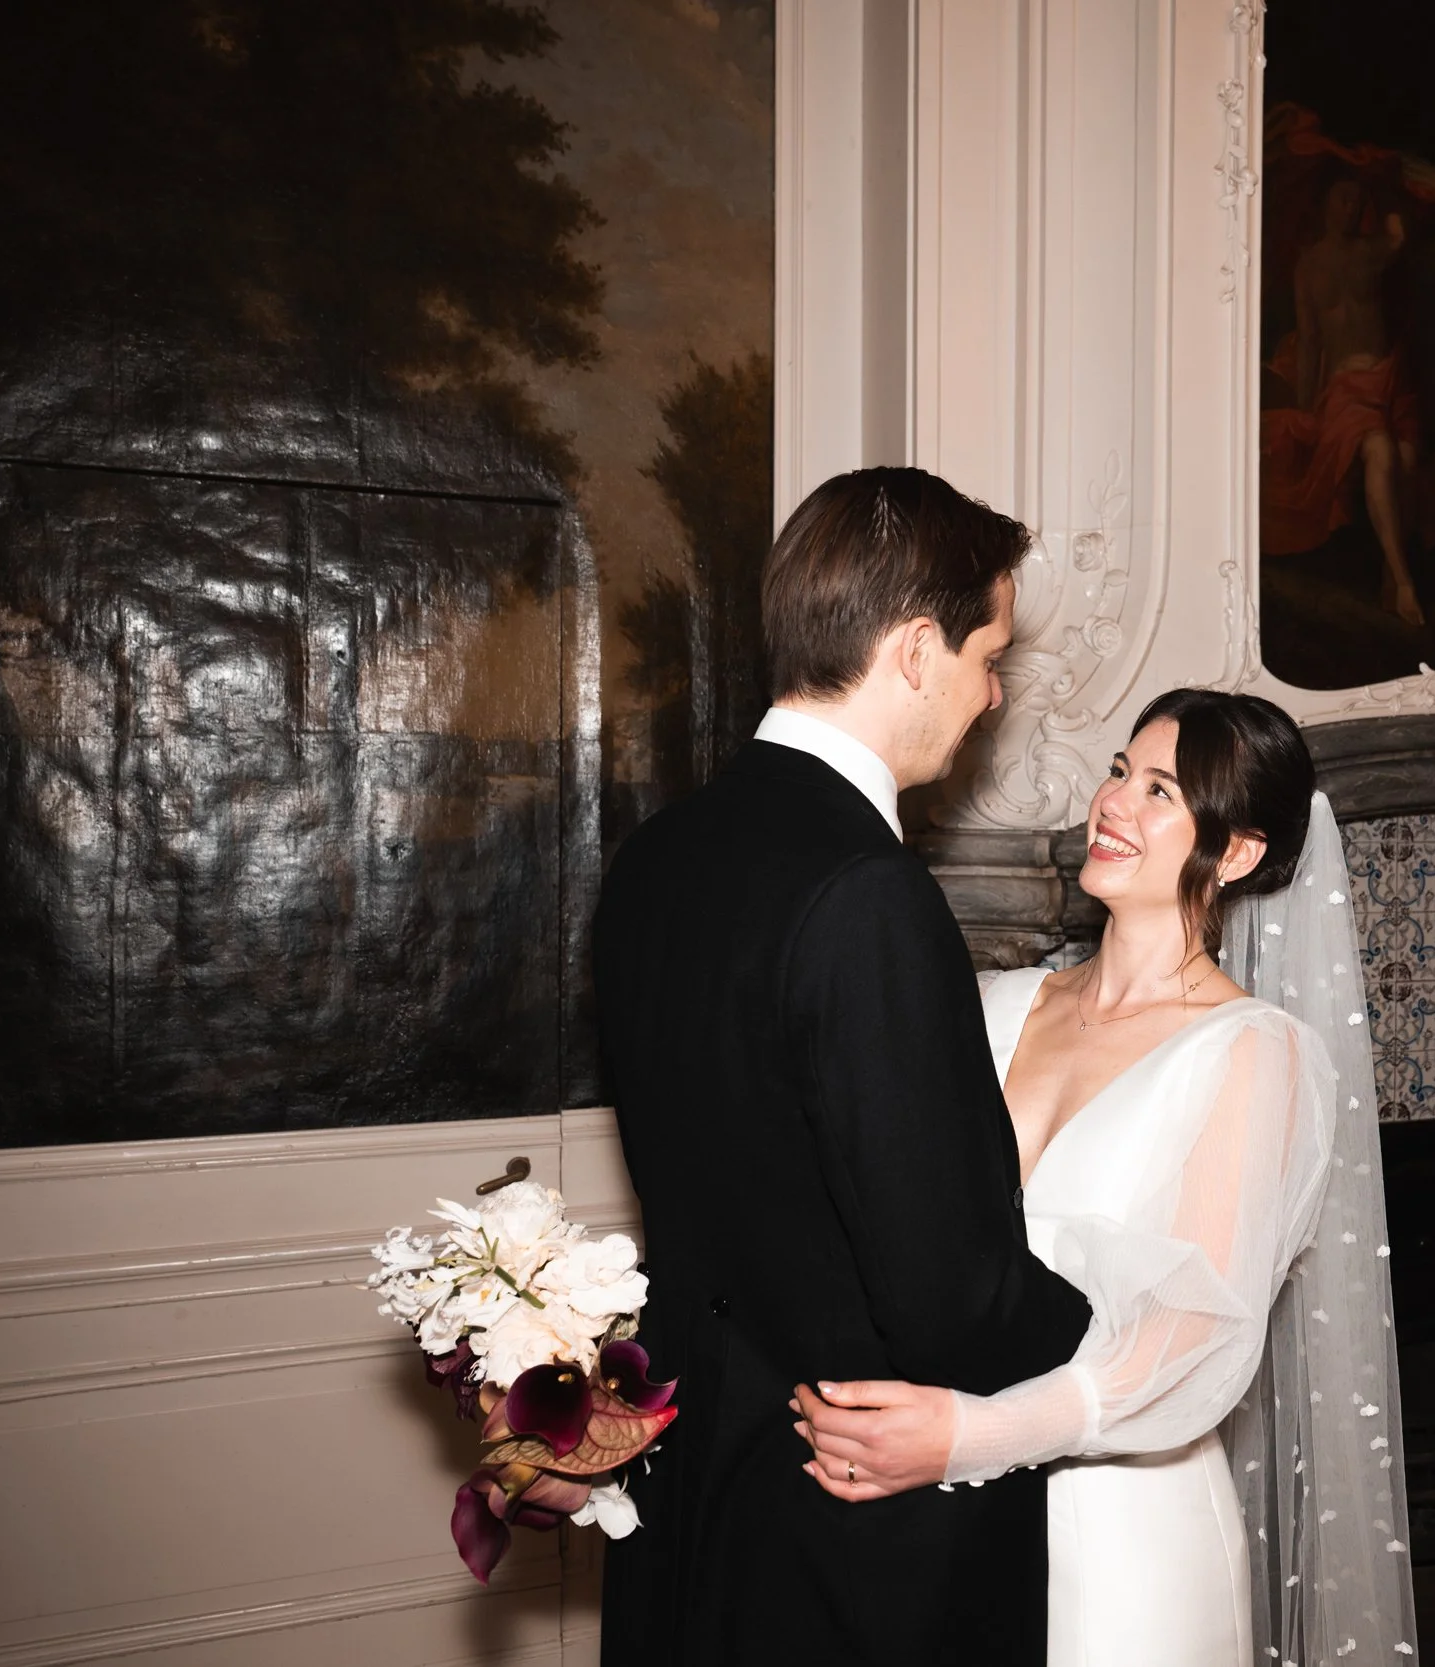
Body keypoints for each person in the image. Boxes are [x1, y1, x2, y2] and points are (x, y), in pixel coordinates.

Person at [793, 690, 1420, 1666]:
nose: (1113, 802)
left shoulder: (1256, 1056)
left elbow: (1197, 1336)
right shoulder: (992, 1001)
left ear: (1239, 852)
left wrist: (973, 1432)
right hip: (945, 1509)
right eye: (1120, 769)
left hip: (1124, 1530)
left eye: (1160, 789)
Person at [592, 468, 1095, 1666]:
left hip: (687, 1479)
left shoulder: (659, 853)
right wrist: (1101, 1323)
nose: (988, 696)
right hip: (851, 1528)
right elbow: (944, 1297)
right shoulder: (867, 891)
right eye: (988, 657)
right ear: (916, 650)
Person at [1266, 173, 1429, 626]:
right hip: (1344, 388)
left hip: (1389, 379)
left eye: (1358, 201)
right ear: (1325, 204)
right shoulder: (1308, 266)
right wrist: (1304, 408)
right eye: (1342, 197)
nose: (1350, 209)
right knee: (1379, 449)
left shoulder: (1372, 251)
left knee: (1407, 458)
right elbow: (1312, 341)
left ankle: (1389, 576)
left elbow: (1401, 232)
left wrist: (1393, 189)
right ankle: (1406, 584)